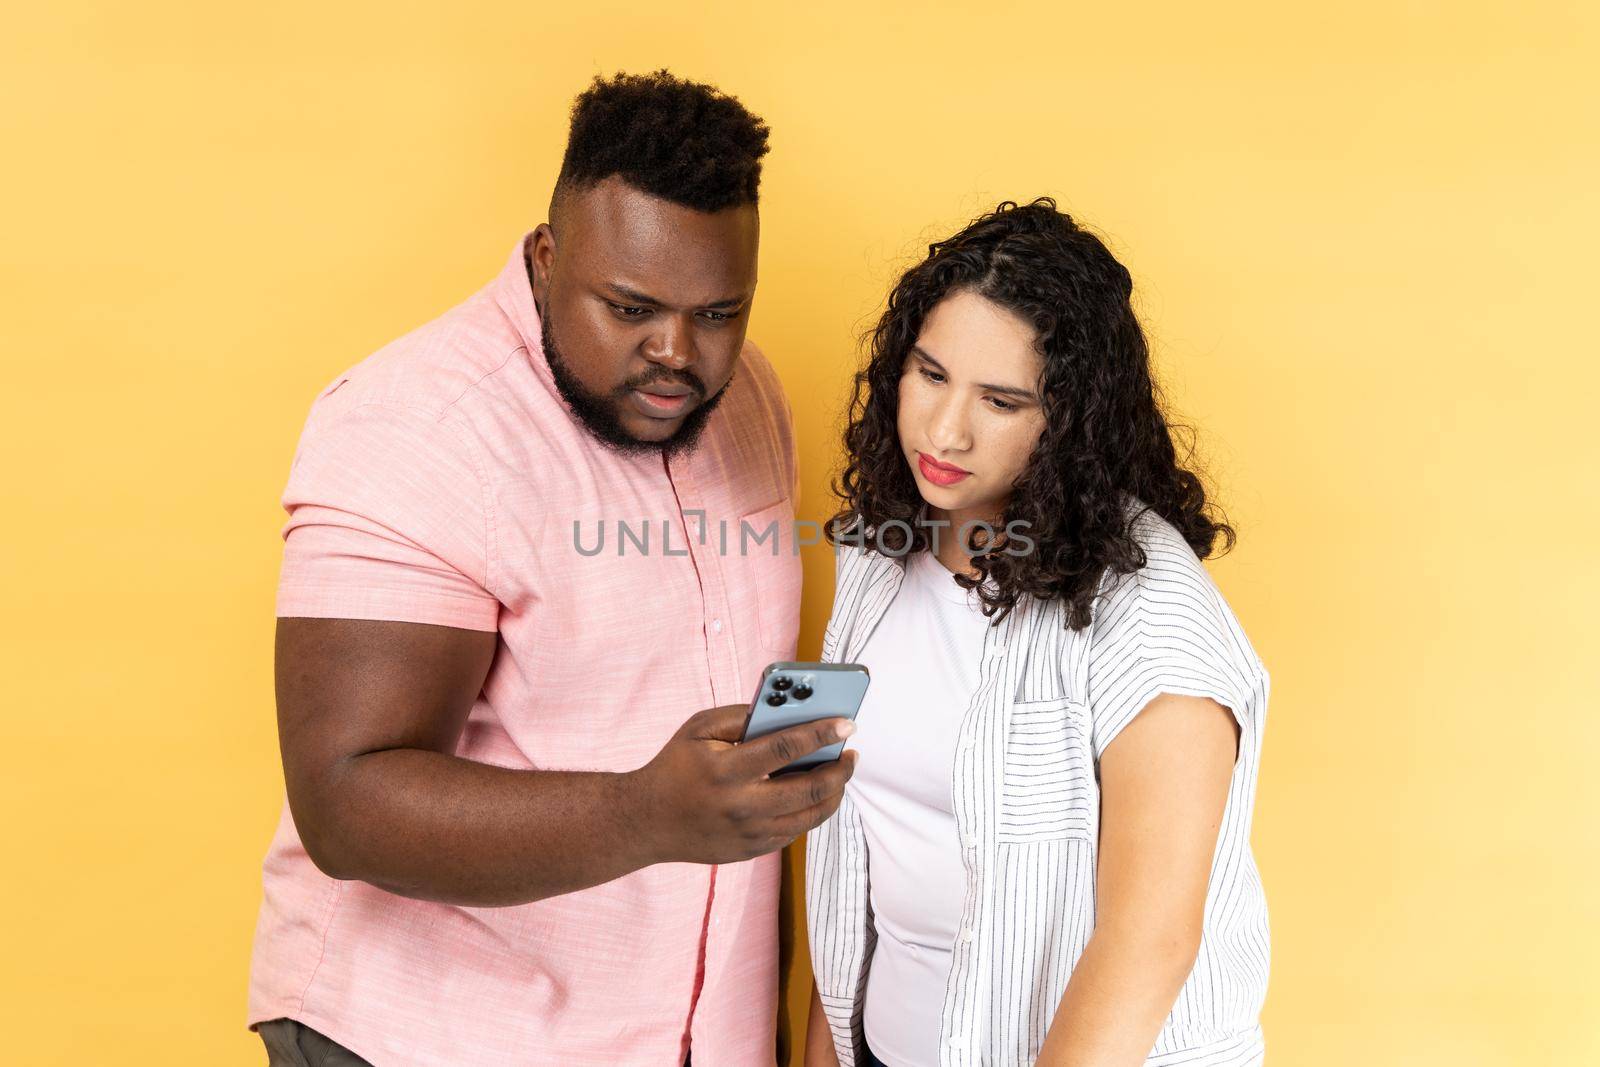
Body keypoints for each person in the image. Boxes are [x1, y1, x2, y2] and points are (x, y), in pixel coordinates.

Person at [249, 70, 857, 1066]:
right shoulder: (415, 427)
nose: (676, 352)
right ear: (545, 256)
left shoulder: (747, 399)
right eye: (630, 306)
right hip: (425, 1039)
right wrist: (643, 811)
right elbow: (346, 801)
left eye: (717, 312)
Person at [804, 199, 1271, 1066]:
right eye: (931, 374)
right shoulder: (877, 546)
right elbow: (852, 859)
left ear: (1072, 422)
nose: (945, 430)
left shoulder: (1154, 622)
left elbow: (1149, 941)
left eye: (1002, 400)